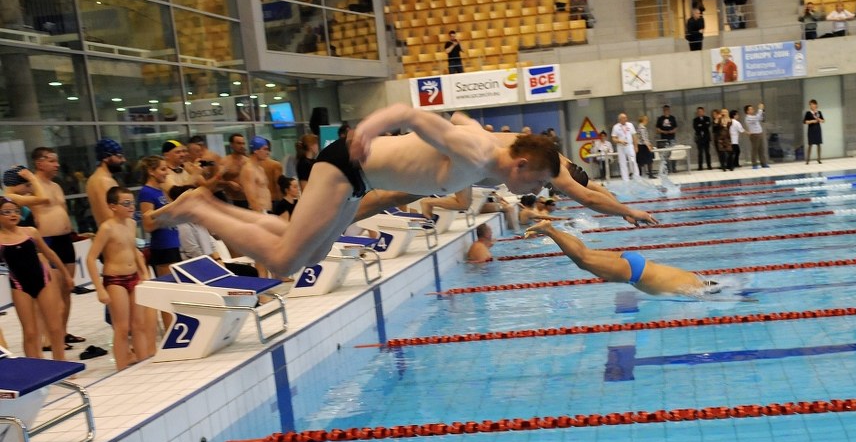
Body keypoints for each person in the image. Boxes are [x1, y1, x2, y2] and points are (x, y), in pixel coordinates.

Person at [152, 105, 657, 276]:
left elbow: (459, 118)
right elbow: (410, 113)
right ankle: (199, 205)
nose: (533, 193)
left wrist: (625, 213)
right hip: (346, 167)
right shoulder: (478, 153)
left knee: (309, 250)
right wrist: (371, 127)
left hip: (361, 181)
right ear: (523, 164)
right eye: (536, 183)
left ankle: (205, 207)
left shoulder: (494, 158)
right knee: (285, 261)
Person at [524, 220, 716, 296]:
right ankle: (549, 230)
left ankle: (551, 229)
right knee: (582, 259)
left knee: (585, 254)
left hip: (637, 262)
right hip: (635, 272)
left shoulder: (692, 278)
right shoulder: (693, 290)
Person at [86, 187, 155, 371]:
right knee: (122, 328)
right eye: (126, 203)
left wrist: (144, 274)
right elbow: (91, 258)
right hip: (115, 280)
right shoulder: (107, 228)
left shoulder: (131, 224)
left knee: (139, 324)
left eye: (132, 202)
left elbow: (134, 250)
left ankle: (143, 363)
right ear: (113, 206)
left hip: (134, 277)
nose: (131, 206)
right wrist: (99, 289)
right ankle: (122, 368)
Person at [0, 196, 71, 360]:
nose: (13, 215)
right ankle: (36, 369)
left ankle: (61, 364)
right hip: (19, 286)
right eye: (7, 212)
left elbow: (49, 253)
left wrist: (66, 274)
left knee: (55, 327)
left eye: (16, 211)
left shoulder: (30, 232)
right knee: (30, 332)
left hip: (43, 281)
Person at [29, 147, 84, 347]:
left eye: (57, 161)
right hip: (47, 241)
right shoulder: (31, 187)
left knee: (66, 289)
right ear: (39, 163)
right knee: (49, 294)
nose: (57, 165)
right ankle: (48, 337)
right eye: (52, 161)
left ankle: (62, 332)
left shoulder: (56, 186)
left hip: (64, 240)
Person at [139, 155, 182, 279]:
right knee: (170, 290)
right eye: (163, 169)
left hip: (173, 244)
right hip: (163, 247)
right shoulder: (146, 192)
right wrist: (168, 216)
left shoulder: (160, 190)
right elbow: (147, 225)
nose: (167, 173)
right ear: (151, 171)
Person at [86, 138, 127, 229]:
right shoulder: (104, 181)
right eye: (119, 156)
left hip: (108, 233)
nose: (124, 160)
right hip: (115, 236)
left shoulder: (93, 179)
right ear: (105, 157)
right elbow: (110, 215)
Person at [611, 113, 638, 181]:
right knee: (622, 162)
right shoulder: (616, 127)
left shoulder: (630, 125)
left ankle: (636, 177)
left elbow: (634, 136)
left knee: (633, 161)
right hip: (621, 146)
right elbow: (613, 138)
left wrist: (636, 146)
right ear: (620, 119)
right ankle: (625, 179)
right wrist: (620, 141)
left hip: (630, 146)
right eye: (623, 118)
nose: (625, 119)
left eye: (626, 117)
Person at [743, 103, 768, 168]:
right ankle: (754, 164)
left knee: (761, 150)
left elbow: (761, 118)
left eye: (752, 108)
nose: (752, 110)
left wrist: (762, 111)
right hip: (754, 135)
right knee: (755, 150)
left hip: (760, 134)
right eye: (750, 109)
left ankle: (764, 163)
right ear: (747, 111)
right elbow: (757, 118)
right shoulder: (748, 118)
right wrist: (760, 109)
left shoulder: (754, 116)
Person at [655, 105, 678, 171]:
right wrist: (663, 131)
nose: (666, 111)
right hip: (663, 139)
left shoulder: (672, 118)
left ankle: (673, 168)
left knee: (673, 153)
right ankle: (667, 168)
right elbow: (657, 129)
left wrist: (671, 131)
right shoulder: (660, 119)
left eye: (667, 110)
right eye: (665, 110)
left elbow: (676, 128)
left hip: (672, 138)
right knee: (665, 154)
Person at [804, 99, 825, 164]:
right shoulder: (808, 113)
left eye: (812, 104)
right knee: (810, 144)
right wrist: (812, 121)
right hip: (811, 130)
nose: (811, 106)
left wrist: (819, 119)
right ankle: (808, 160)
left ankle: (819, 159)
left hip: (817, 129)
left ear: (816, 105)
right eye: (810, 104)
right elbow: (805, 121)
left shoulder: (819, 112)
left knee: (818, 144)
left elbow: (823, 120)